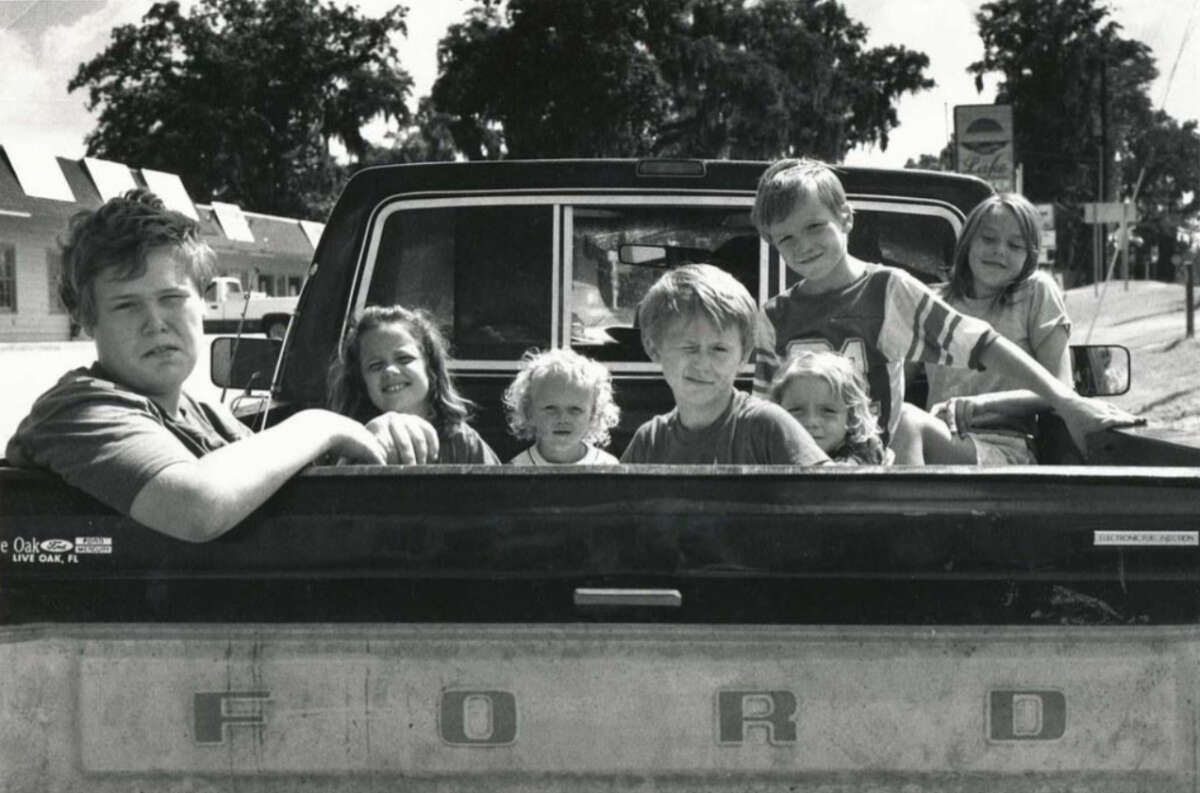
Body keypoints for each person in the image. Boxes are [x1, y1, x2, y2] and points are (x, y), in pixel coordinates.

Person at [5, 189, 434, 543]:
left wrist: (370, 437)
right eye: (126, 305)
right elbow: (196, 506)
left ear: (201, 303)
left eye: (172, 298)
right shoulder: (78, 410)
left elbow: (278, 487)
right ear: (86, 320)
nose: (155, 323)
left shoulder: (199, 413)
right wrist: (324, 423)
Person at [750, 157, 1140, 463]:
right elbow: (764, 419)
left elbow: (980, 344)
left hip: (876, 480)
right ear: (772, 243)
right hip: (804, 480)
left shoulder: (889, 290)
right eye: (786, 237)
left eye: (815, 227)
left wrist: (1067, 402)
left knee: (906, 423)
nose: (802, 246)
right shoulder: (772, 316)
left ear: (846, 218)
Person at [620, 263, 829, 466]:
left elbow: (837, 495)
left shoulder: (768, 426)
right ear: (654, 349)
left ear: (744, 356)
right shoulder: (649, 441)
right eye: (689, 347)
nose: (703, 363)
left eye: (719, 349)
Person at [918, 193, 1073, 464]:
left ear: (1029, 256)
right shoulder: (934, 302)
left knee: (909, 423)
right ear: (967, 243)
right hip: (940, 436)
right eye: (988, 239)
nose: (1000, 251)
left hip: (1005, 449)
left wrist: (982, 405)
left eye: (1015, 245)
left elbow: (1061, 390)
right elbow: (894, 377)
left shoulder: (1036, 292)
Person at [328, 304, 500, 465]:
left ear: (430, 368)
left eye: (404, 359)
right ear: (361, 381)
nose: (390, 370)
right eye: (376, 365)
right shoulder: (354, 444)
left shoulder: (463, 441)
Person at [768, 350, 890, 465]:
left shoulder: (865, 448)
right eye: (796, 410)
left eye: (828, 411)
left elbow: (842, 479)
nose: (811, 422)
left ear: (851, 417)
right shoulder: (769, 449)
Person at [502, 348, 621, 465]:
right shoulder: (517, 470)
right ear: (528, 412)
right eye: (550, 408)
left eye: (575, 409)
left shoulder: (607, 468)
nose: (563, 418)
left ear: (594, 414)